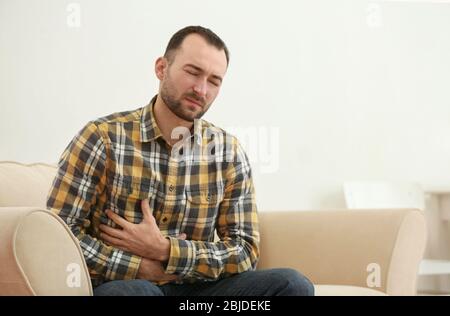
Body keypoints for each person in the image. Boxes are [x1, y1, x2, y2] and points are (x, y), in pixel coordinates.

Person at [46, 25, 314, 296]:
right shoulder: (102, 138)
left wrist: (166, 250)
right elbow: (60, 234)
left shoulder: (227, 152)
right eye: (193, 72)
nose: (201, 89)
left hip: (199, 294)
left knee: (293, 285)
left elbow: (244, 251)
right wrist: (139, 267)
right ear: (162, 68)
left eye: (214, 80)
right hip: (130, 286)